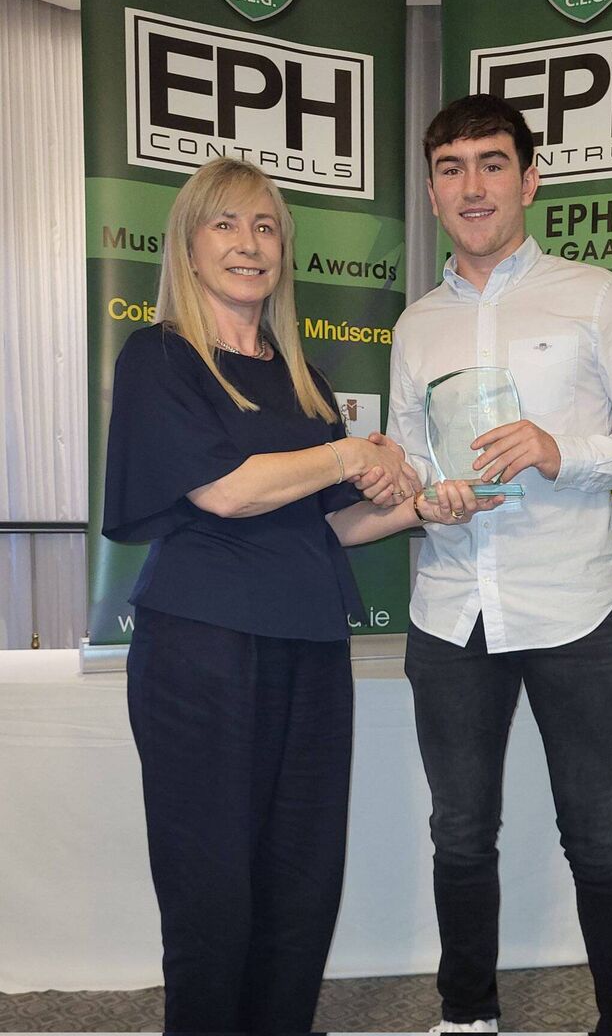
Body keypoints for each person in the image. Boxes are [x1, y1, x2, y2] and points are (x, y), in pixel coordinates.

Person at [103, 156, 496, 1035]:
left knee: (300, 876)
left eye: (267, 227)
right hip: (202, 649)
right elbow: (226, 491)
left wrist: (421, 505)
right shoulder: (159, 357)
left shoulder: (299, 374)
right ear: (190, 248)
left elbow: (328, 525)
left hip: (309, 642)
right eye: (227, 225)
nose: (250, 245)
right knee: (212, 885)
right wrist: (353, 454)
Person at [386, 94, 612, 1034]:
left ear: (530, 178)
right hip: (450, 611)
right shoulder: (415, 326)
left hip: (573, 607)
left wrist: (565, 453)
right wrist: (425, 499)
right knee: (459, 836)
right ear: (433, 190)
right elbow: (405, 468)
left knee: (598, 835)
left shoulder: (593, 294)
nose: (470, 184)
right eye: (450, 167)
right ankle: (468, 1016)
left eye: (490, 162)